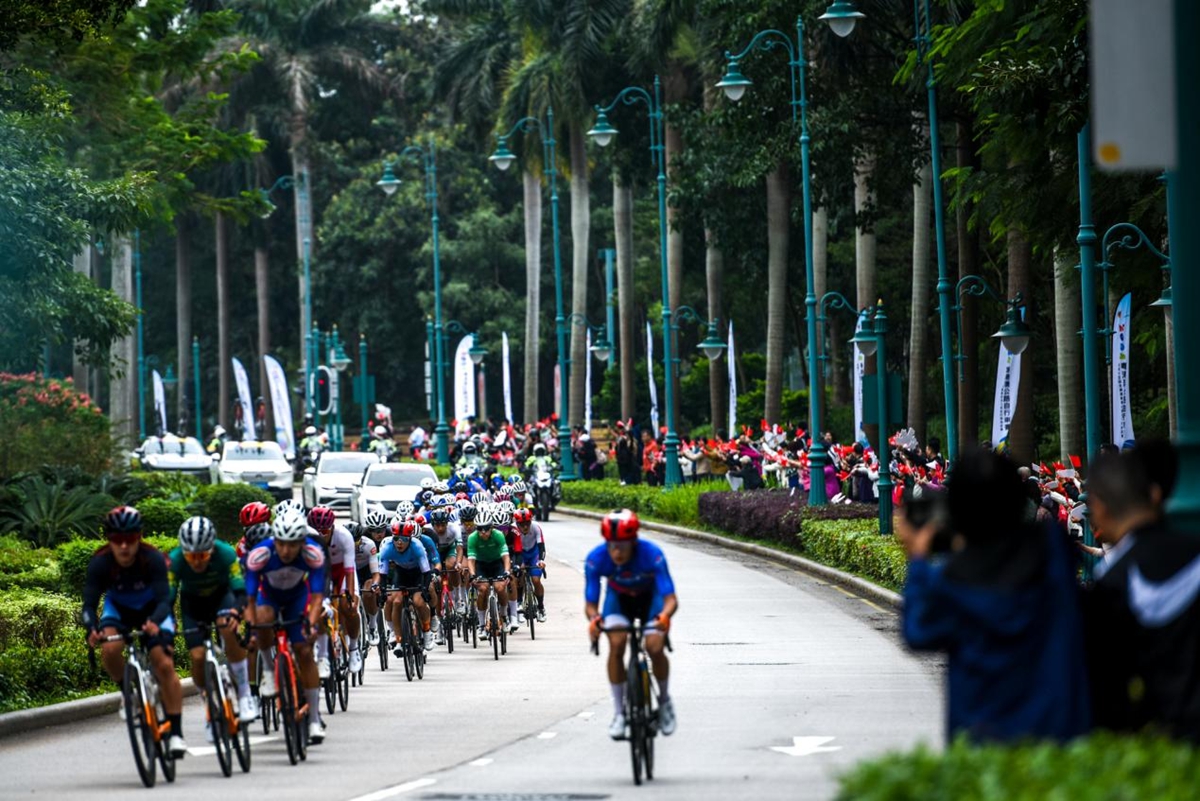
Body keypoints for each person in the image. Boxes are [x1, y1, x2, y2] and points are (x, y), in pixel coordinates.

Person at [899, 449, 1090, 743]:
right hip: (1056, 738)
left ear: (956, 512)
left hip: (982, 739)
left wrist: (919, 557)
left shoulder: (950, 580)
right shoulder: (1053, 557)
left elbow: (917, 631)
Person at [1084, 446, 1200, 740]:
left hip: (1156, 745)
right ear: (1155, 494)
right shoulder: (1193, 553)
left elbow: (1105, 688)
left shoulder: (1112, 580)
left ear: (1100, 507)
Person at [83, 506, 188, 757]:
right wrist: (91, 629)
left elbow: (165, 599)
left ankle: (175, 734)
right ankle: (128, 694)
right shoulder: (100, 562)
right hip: (119, 608)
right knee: (109, 649)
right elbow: (88, 604)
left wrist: (155, 621)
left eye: (130, 539)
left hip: (154, 610)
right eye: (117, 540)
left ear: (139, 537)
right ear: (109, 540)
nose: (124, 547)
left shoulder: (153, 558)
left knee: (163, 664)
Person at [585, 509, 678, 740]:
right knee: (616, 645)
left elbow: (670, 599)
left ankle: (665, 702)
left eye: (623, 546)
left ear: (634, 542)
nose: (617, 552)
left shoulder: (652, 554)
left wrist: (665, 616)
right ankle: (619, 713)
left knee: (655, 647)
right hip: (619, 601)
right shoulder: (596, 558)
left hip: (651, 600)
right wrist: (595, 620)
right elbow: (591, 603)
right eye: (612, 545)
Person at [245, 510, 328, 744]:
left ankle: (313, 718)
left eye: (292, 545)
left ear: (302, 542)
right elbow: (250, 599)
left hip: (297, 599)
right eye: (281, 544)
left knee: (303, 650)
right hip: (268, 598)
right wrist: (252, 627)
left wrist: (310, 624)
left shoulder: (313, 553)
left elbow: (317, 598)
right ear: (275, 540)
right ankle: (269, 674)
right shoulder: (260, 554)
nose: (286, 550)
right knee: (262, 618)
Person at [168, 516, 258, 727]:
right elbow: (168, 599)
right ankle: (209, 703)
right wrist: (168, 621)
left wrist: (237, 612)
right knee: (197, 656)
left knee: (227, 628)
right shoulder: (176, 560)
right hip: (193, 606)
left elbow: (240, 591)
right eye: (191, 556)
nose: (197, 561)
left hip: (221, 598)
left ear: (212, 549)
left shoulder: (226, 553)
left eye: (202, 555)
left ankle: (245, 695)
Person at [307, 506, 363, 674]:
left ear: (332, 527)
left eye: (324, 530)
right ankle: (321, 646)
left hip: (342, 571)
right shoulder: (306, 537)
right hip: (321, 571)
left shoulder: (344, 536)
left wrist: (351, 595)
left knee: (348, 607)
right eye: (317, 531)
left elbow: (349, 570)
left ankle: (353, 650)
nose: (321, 535)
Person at [379, 520, 435, 653]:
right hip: (401, 572)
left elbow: (426, 573)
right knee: (396, 601)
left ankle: (427, 632)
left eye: (404, 539)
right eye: (396, 538)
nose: (399, 542)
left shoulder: (417, 546)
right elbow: (383, 575)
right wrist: (382, 592)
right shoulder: (387, 548)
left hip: (418, 573)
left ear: (410, 539)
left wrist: (425, 590)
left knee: (418, 602)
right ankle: (399, 639)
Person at [466, 508, 512, 637]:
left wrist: (507, 571)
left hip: (497, 563)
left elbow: (506, 557)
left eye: (486, 528)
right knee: (482, 589)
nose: (483, 532)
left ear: (491, 527)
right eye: (479, 529)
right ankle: (481, 625)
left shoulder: (498, 535)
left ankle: (504, 616)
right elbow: (471, 560)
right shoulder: (472, 538)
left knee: (500, 587)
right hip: (481, 565)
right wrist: (473, 575)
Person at [512, 507, 547, 623]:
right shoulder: (513, 529)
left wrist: (541, 560)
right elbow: (512, 549)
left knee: (536, 580)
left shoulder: (536, 527)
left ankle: (541, 607)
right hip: (520, 553)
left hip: (534, 554)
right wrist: (516, 563)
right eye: (522, 524)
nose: (525, 527)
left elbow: (541, 546)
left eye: (527, 523)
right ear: (517, 523)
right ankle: (520, 602)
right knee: (519, 575)